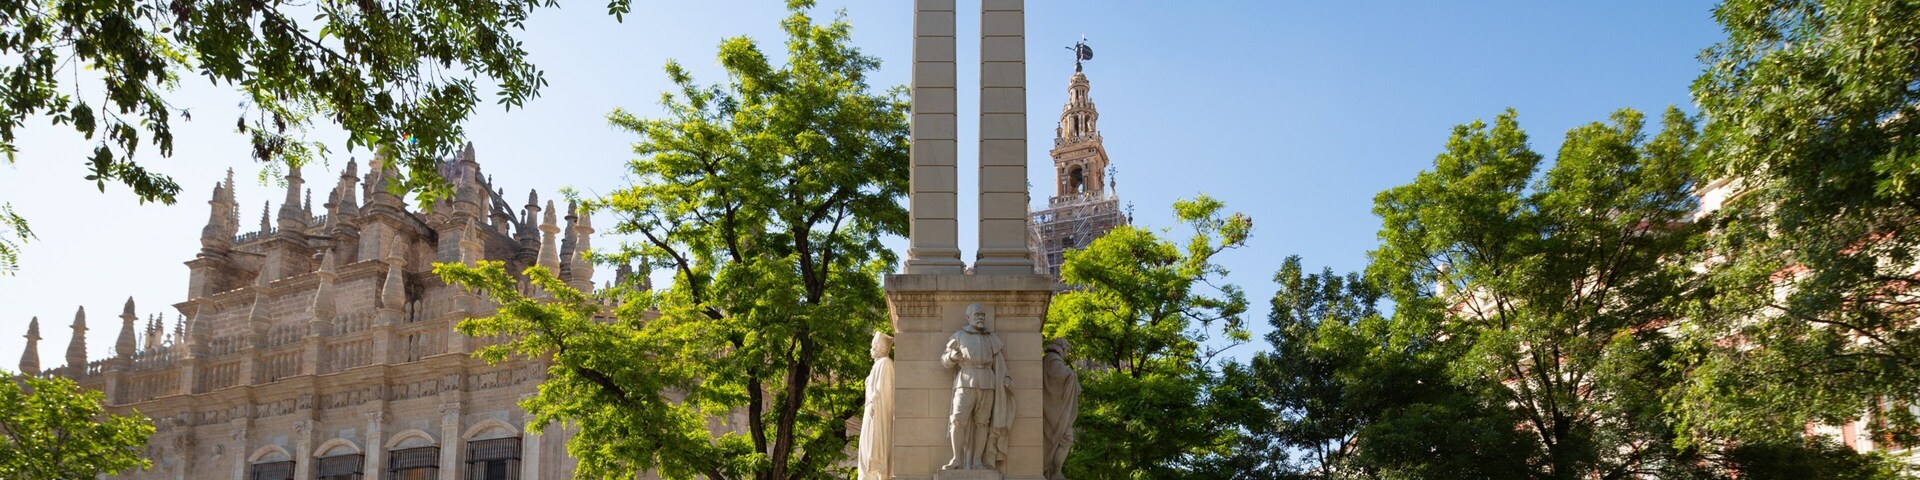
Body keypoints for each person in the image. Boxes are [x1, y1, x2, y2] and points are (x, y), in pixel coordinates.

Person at [942, 303, 1013, 470]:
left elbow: (1000, 363)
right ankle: (956, 459)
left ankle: (976, 461)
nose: (980, 317)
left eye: (982, 314)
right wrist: (952, 356)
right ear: (968, 317)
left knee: (983, 422)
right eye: (977, 314)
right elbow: (944, 359)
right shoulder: (959, 336)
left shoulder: (991, 338)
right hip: (965, 380)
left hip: (988, 382)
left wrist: (1006, 377)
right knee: (958, 420)